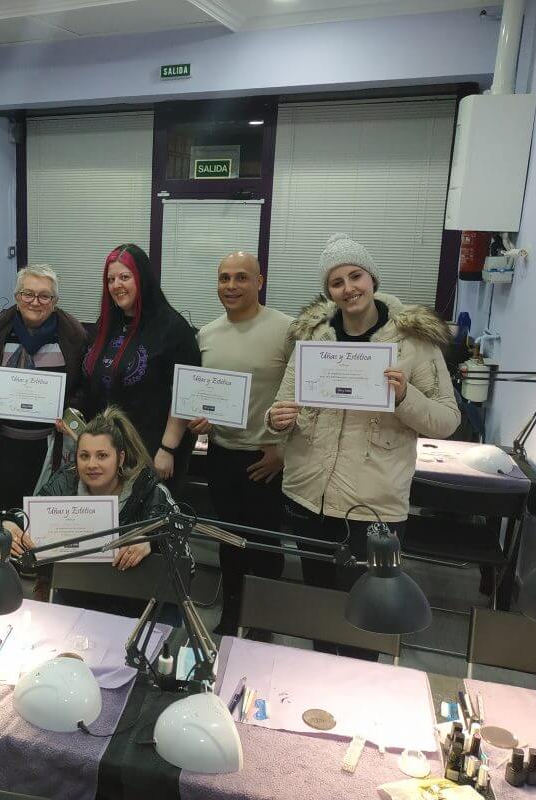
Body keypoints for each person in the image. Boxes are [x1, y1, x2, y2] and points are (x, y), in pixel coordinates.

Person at [266, 233, 460, 656]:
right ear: (328, 291)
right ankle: (319, 681)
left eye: (355, 276)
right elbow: (284, 404)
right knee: (320, 606)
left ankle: (359, 689)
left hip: (373, 503)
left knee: (368, 615)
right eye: (336, 282)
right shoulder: (313, 338)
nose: (348, 288)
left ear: (371, 278)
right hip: (308, 498)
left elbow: (448, 419)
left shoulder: (413, 342)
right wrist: (276, 419)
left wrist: (406, 396)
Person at [192, 252, 294, 635]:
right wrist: (199, 420)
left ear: (259, 282)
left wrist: (282, 449)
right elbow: (203, 395)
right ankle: (232, 614)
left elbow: (302, 393)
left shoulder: (287, 330)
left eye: (240, 278)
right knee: (230, 540)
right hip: (221, 453)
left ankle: (264, 621)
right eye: (223, 278)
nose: (230, 286)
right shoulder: (207, 334)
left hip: (267, 456)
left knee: (266, 544)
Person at [5, 407, 176, 618]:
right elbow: (26, 518)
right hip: (75, 598)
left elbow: (186, 559)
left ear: (120, 458)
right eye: (84, 456)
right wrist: (9, 524)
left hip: (135, 608)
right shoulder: (64, 484)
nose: (92, 464)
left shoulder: (150, 491)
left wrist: (151, 539)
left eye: (102, 456)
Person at [80, 244, 201, 494]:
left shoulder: (173, 329)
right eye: (111, 279)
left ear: (142, 279)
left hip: (152, 450)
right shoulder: (107, 323)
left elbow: (184, 396)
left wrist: (167, 449)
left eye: (125, 277)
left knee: (147, 527)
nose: (116, 285)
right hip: (106, 452)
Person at [0, 264, 88, 512]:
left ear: (55, 300)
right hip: (3, 444)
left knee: (47, 512)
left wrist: (72, 411)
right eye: (28, 294)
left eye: (44, 295)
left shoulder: (74, 336)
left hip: (51, 446)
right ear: (17, 297)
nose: (35, 302)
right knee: (7, 512)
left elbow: (85, 387)